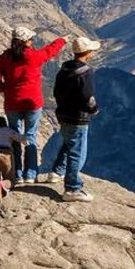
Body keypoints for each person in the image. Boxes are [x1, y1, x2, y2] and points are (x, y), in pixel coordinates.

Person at [0, 26, 67, 184]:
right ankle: (30, 174)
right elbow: (49, 51)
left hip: (12, 103)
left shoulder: (4, 58)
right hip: (33, 103)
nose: (32, 41)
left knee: (14, 138)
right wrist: (61, 40)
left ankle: (16, 175)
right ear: (26, 42)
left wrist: (6, 89)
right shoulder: (33, 56)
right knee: (30, 136)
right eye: (31, 39)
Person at [49, 36, 101, 202]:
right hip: (78, 117)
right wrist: (93, 109)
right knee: (77, 153)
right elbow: (88, 96)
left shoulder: (63, 69)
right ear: (88, 52)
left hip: (63, 114)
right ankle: (72, 188)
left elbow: (56, 92)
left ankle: (57, 172)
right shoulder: (85, 72)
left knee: (68, 143)